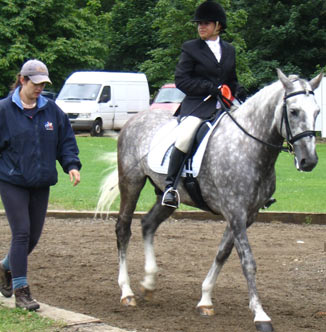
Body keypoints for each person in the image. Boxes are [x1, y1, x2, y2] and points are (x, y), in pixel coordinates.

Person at [0, 59, 81, 310]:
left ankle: (4, 268)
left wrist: (72, 165)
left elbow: (65, 141)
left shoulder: (52, 111)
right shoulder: (3, 110)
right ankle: (21, 292)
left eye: (43, 84)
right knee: (22, 232)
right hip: (12, 179)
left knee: (32, 237)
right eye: (35, 83)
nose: (39, 88)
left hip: (41, 181)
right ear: (22, 80)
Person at [162, 0, 247, 208]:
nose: (201, 27)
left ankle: (252, 186)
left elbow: (231, 80)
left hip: (225, 105)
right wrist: (209, 88)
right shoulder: (191, 48)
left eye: (206, 23)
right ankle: (170, 187)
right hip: (198, 106)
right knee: (185, 137)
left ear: (218, 25)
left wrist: (239, 91)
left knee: (249, 131)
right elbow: (182, 80)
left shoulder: (229, 50)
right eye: (199, 23)